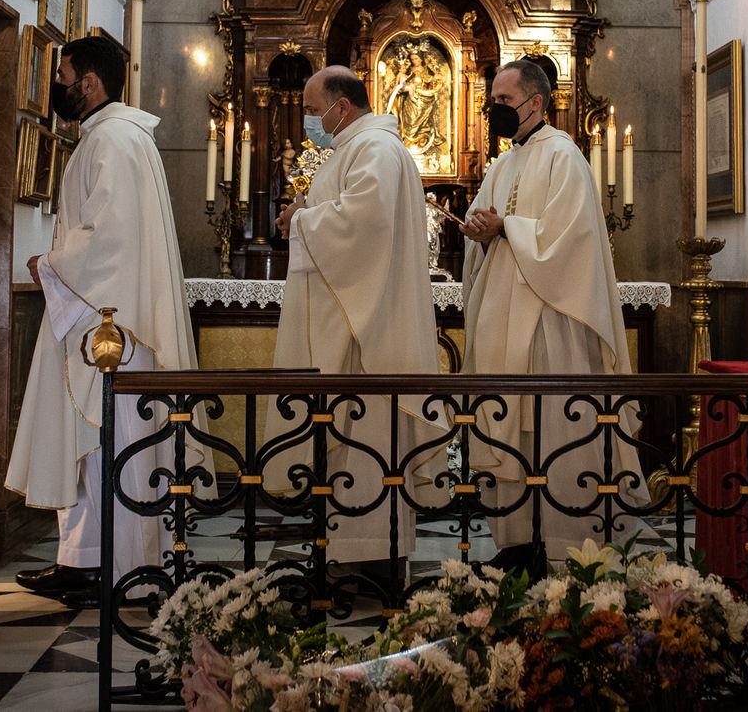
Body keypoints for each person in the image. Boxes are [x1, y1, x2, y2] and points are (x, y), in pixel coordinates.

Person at [5, 35, 208, 602]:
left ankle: (112, 566)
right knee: (97, 445)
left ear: (90, 83)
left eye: (65, 76)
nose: (60, 89)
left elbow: (110, 240)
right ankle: (88, 559)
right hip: (102, 318)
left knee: (102, 443)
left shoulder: (114, 142)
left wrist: (49, 263)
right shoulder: (116, 138)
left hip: (108, 327)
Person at [459, 59, 644, 566]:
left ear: (535, 102)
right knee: (511, 428)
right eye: (492, 101)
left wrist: (507, 228)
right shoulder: (502, 163)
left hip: (548, 322)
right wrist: (477, 232)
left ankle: (566, 546)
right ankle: (517, 543)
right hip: (503, 314)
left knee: (551, 427)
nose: (494, 110)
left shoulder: (564, 157)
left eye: (503, 101)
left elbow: (571, 240)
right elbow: (484, 224)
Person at [267, 66, 442, 576]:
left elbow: (362, 225)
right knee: (348, 447)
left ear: (341, 106)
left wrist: (302, 220)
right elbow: (339, 211)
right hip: (349, 318)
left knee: (367, 444)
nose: (308, 119)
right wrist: (302, 210)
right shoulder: (354, 149)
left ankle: (373, 563)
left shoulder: (377, 151)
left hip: (367, 335)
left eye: (311, 107)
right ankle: (348, 555)